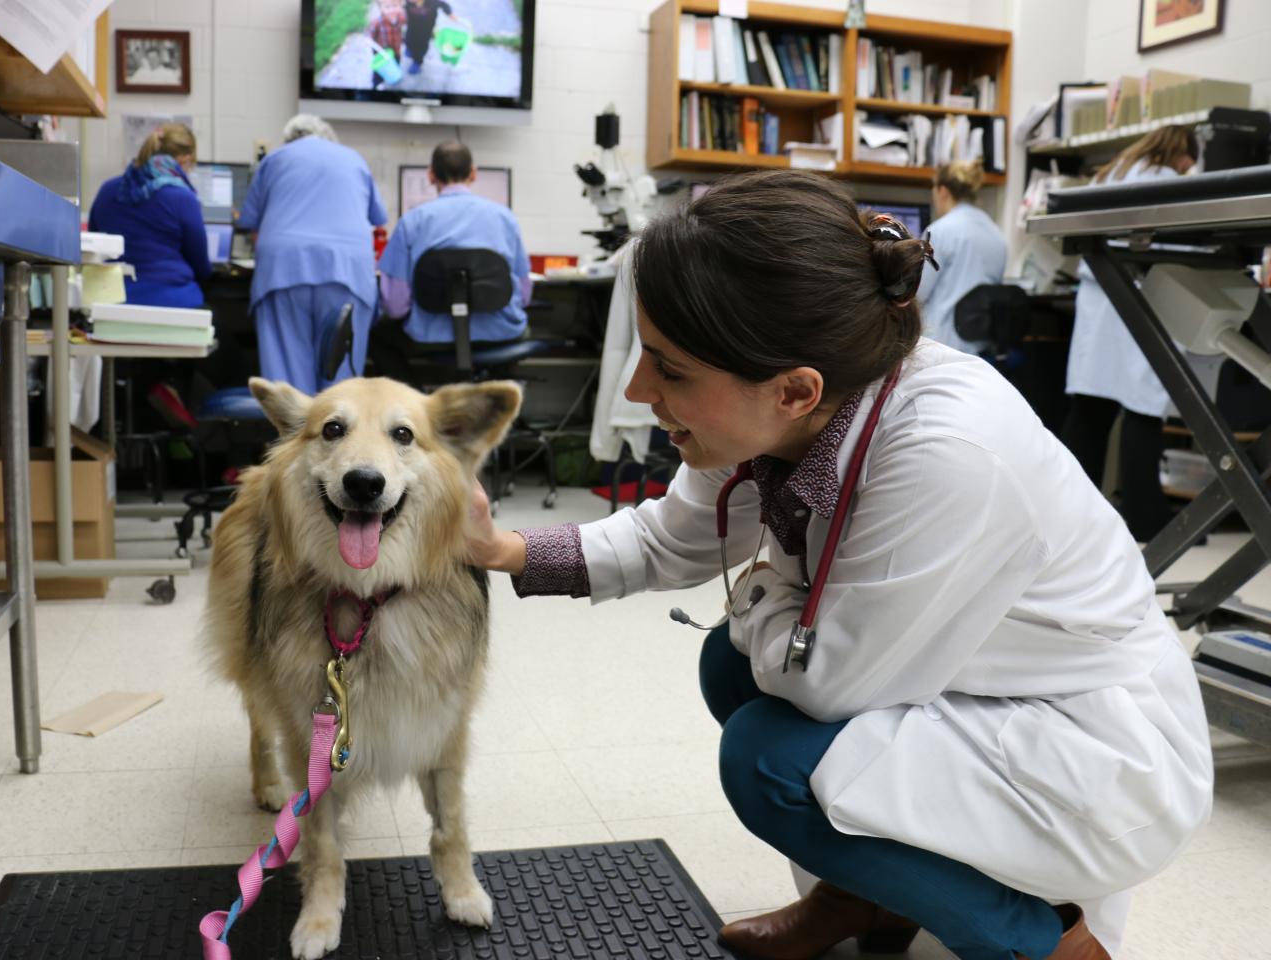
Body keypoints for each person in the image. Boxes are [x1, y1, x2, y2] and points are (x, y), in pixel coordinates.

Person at [463, 171, 1212, 960]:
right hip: (968, 686)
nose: (638, 388)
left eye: (669, 369)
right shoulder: (785, 400)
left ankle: (1049, 942)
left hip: (1092, 749)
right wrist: (499, 548)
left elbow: (830, 683)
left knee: (766, 757)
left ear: (794, 391)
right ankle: (871, 898)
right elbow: (670, 541)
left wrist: (759, 594)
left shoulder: (948, 452)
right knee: (735, 668)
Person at [1061, 126, 1198, 542]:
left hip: (1101, 298)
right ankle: (1144, 515)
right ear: (1183, 157)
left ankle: (1066, 512)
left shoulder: (1111, 174)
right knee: (1142, 411)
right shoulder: (1173, 185)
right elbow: (1189, 247)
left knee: (1090, 413)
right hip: (1142, 300)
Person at [237, 114, 387, 394]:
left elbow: (251, 225)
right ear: (328, 137)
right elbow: (378, 219)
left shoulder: (274, 159)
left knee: (288, 388)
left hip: (283, 272)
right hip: (346, 272)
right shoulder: (353, 158)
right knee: (342, 387)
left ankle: (294, 421)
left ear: (290, 139)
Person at [371, 141, 531, 384]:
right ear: (473, 173)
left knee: (376, 337)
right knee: (521, 329)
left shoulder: (412, 221)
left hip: (430, 337)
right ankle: (495, 395)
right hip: (500, 332)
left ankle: (415, 401)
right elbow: (524, 296)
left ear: (431, 175)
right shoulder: (505, 218)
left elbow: (396, 306)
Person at [88, 123, 210, 308]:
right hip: (174, 302)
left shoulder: (107, 189)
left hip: (111, 300)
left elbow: (94, 245)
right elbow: (201, 266)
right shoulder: (182, 197)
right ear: (185, 159)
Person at [915, 159, 1008, 355]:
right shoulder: (996, 234)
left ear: (942, 191)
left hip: (941, 346)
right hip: (981, 349)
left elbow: (917, 293)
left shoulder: (939, 231)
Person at [404, 0, 452, 74]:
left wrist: (449, 13)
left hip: (426, 30)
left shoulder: (433, 2)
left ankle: (417, 62)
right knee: (408, 40)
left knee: (421, 47)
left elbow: (444, 5)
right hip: (412, 27)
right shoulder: (407, 2)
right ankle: (410, 49)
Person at [369, 0, 407, 89]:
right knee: (380, 70)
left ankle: (393, 76)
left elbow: (405, 26)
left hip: (396, 49)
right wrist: (375, 50)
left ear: (401, 6)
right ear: (381, 8)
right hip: (382, 52)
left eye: (395, 5)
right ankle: (377, 83)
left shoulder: (401, 18)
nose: (392, 10)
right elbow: (369, 37)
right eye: (387, 7)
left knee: (396, 63)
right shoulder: (377, 22)